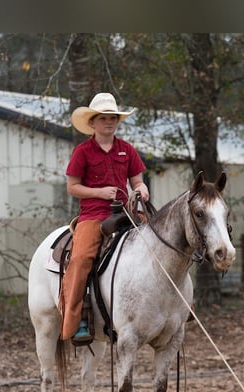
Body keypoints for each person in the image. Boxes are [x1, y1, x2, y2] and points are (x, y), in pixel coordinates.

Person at [59, 92, 149, 344]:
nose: (109, 122)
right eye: (103, 118)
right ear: (93, 123)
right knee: (79, 259)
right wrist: (98, 192)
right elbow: (72, 186)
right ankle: (76, 321)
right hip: (94, 215)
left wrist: (141, 190)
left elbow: (137, 181)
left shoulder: (127, 150)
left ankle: (179, 306)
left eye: (113, 118)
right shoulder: (83, 151)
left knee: (162, 240)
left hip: (125, 212)